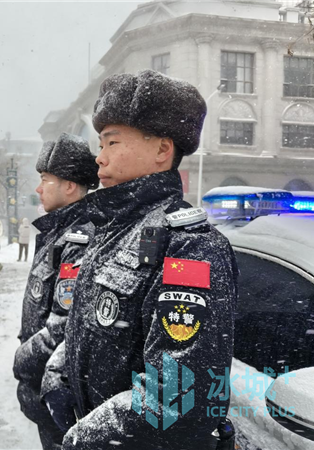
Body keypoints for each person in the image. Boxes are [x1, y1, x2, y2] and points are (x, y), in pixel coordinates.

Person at [55, 70, 238, 449]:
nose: (99, 159)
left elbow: (176, 396)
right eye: (100, 144)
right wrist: (59, 376)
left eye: (112, 143)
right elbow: (84, 324)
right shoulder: (112, 231)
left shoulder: (189, 247)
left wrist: (82, 439)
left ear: (161, 150)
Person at [13, 133, 99, 450]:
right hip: (42, 388)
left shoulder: (80, 239)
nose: (38, 188)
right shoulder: (58, 232)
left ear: (69, 186)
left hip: (57, 393)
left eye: (45, 179)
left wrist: (23, 360)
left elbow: (64, 327)